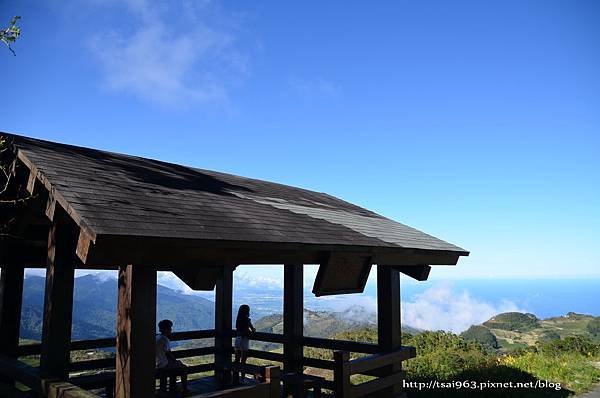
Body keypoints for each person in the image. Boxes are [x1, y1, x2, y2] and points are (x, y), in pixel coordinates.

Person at [156, 319, 190, 395]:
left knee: (176, 367)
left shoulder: (157, 337)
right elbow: (168, 353)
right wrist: (175, 361)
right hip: (163, 365)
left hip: (158, 364)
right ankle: (184, 390)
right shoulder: (165, 339)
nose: (171, 330)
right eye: (170, 328)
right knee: (183, 368)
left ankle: (172, 388)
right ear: (166, 329)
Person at [234, 304, 255, 383]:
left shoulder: (238, 320)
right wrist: (251, 331)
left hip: (238, 340)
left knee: (236, 360)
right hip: (244, 340)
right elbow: (252, 330)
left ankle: (235, 378)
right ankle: (242, 379)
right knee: (243, 361)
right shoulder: (247, 320)